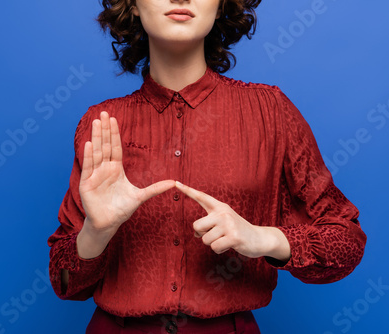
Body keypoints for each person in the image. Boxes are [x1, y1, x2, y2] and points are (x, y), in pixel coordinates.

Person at [47, 0, 367, 332]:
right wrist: (96, 232)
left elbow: (345, 241)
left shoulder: (271, 112)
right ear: (134, 6)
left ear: (221, 5)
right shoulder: (101, 126)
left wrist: (263, 239)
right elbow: (64, 281)